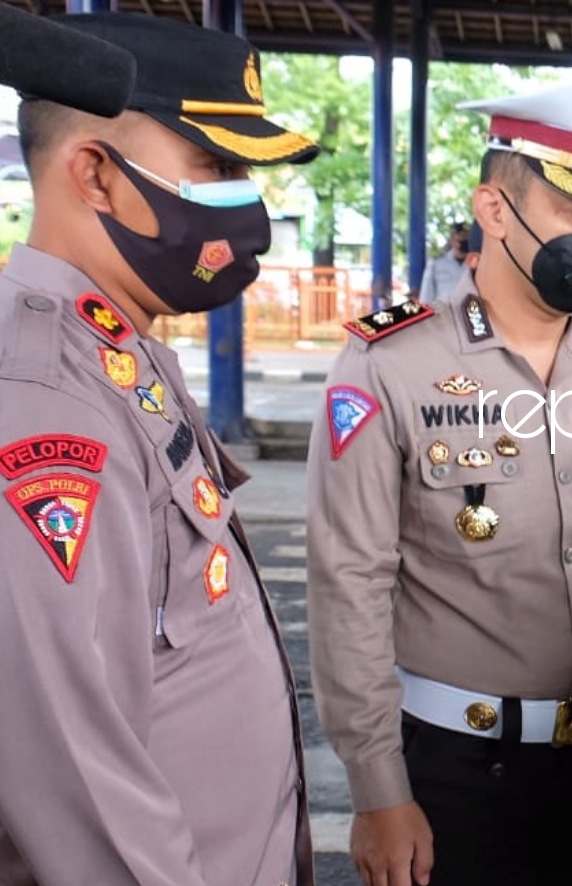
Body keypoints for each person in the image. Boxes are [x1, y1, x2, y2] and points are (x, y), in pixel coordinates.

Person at [307, 81, 572, 886]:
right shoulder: (391, 364)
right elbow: (347, 583)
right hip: (459, 777)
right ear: (494, 211)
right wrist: (378, 790)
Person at [0, 13, 318, 885]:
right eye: (215, 167)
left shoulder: (119, 350)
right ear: (95, 176)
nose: (245, 199)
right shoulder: (42, 408)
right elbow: (71, 778)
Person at [418, 220, 471, 305]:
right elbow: (425, 296)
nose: (463, 244)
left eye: (466, 240)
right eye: (460, 240)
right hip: (443, 313)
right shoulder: (436, 264)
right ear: (452, 240)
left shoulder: (476, 264)